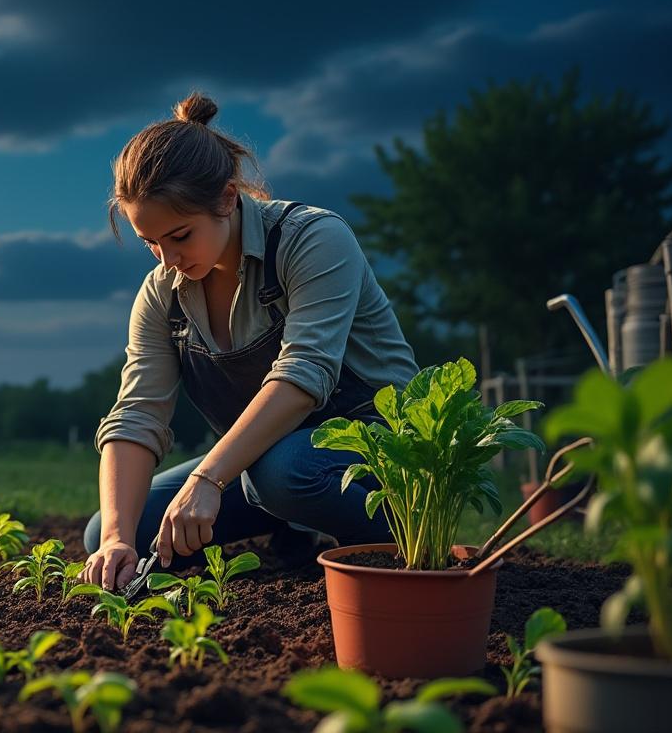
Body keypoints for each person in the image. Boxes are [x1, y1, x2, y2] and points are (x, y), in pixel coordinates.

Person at [80, 92, 419, 591]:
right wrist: (116, 539)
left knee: (286, 472)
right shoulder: (163, 294)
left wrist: (208, 479)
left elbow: (305, 374)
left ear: (227, 197)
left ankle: (403, 547)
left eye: (179, 236)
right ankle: (293, 524)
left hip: (382, 454)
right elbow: (138, 413)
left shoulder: (312, 240)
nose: (165, 259)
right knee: (112, 529)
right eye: (149, 242)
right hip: (269, 466)